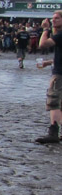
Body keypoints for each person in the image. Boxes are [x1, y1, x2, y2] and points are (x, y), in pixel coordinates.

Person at [34, 11, 62, 144]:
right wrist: (49, 62)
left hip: (60, 74)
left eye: (57, 18)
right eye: (53, 18)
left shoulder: (60, 35)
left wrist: (45, 29)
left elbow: (43, 44)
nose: (53, 21)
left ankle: (53, 132)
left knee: (54, 101)